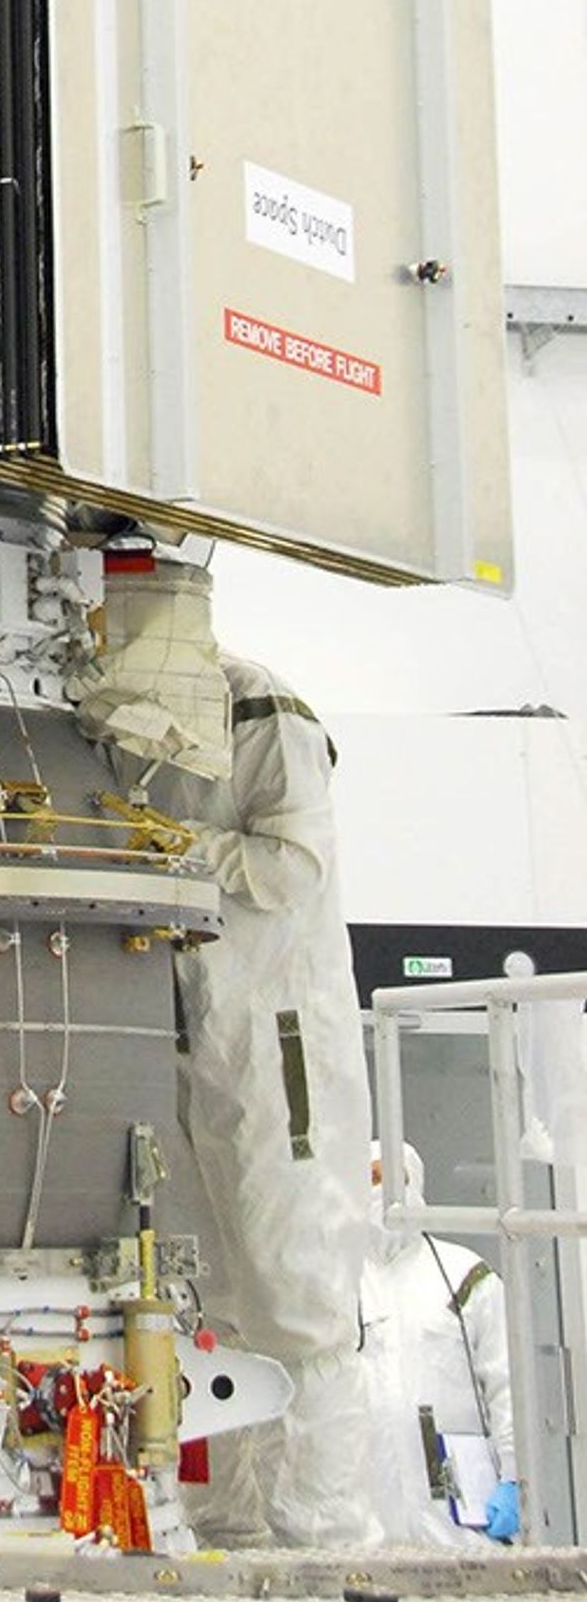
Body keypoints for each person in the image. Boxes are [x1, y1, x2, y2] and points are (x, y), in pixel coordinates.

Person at [169, 654, 381, 1548]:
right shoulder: (119, 710)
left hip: (277, 1034)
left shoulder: (256, 704)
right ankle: (223, 1522)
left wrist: (171, 847)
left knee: (295, 1289)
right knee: (203, 1299)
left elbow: (292, 863)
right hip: (185, 1038)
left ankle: (327, 1529)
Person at [362, 1142, 519, 1546]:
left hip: (460, 1518)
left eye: (398, 1180)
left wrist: (516, 1477)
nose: (385, 1193)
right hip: (370, 1518)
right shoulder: (336, 1284)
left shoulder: (464, 1275)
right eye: (373, 1179)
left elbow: (508, 1388)